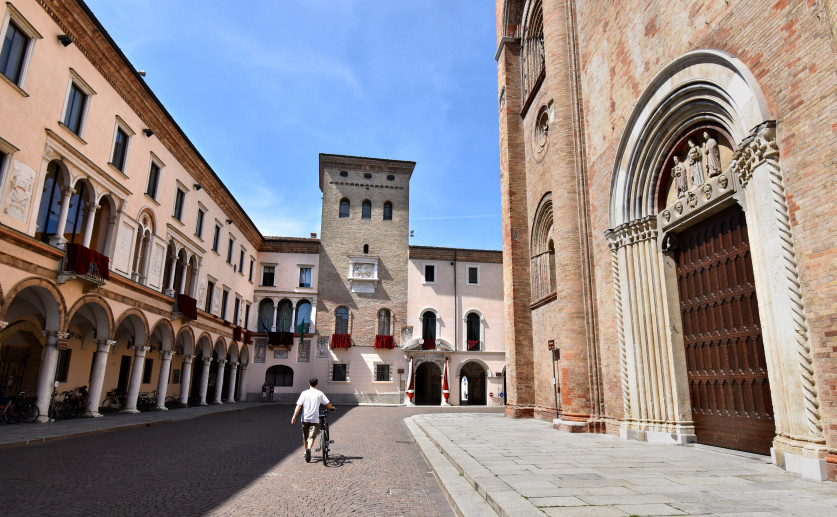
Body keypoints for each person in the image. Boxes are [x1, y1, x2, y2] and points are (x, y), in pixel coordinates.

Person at [291, 377, 335, 463]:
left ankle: (306, 450)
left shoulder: (304, 393)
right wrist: (332, 408)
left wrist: (294, 416)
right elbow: (327, 404)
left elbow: (298, 406)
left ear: (309, 383)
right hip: (314, 418)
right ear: (317, 384)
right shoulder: (319, 393)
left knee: (305, 436)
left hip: (305, 418)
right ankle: (308, 448)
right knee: (312, 436)